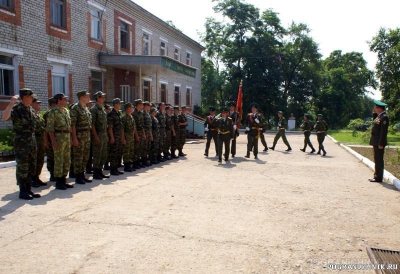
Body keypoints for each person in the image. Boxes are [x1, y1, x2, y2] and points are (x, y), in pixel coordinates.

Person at [2, 89, 41, 200]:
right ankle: (22, 191)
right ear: (25, 97)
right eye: (31, 97)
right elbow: (4, 117)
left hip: (32, 140)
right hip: (21, 141)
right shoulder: (17, 109)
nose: (33, 98)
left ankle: (28, 189)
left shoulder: (31, 109)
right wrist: (11, 103)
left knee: (31, 165)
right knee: (23, 166)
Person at [46, 93, 73, 190]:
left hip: (66, 137)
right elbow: (50, 128)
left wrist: (71, 138)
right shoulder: (53, 112)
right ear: (59, 100)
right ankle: (58, 182)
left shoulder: (66, 111)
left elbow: (69, 127)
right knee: (59, 160)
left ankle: (64, 180)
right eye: (65, 99)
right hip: (58, 137)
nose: (66, 101)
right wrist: (53, 141)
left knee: (66, 160)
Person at [70, 90, 92, 185]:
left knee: (85, 156)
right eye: (87, 96)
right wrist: (74, 138)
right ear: (81, 98)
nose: (88, 98)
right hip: (79, 135)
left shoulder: (85, 108)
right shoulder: (75, 108)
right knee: (78, 157)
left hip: (86, 135)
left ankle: (82, 175)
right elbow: (73, 125)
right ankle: (78, 176)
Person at [90, 91, 110, 180]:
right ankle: (96, 172)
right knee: (97, 154)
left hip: (104, 133)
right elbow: (92, 124)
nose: (103, 99)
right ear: (98, 98)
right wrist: (95, 136)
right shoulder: (94, 109)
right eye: (102, 97)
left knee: (103, 154)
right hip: (98, 133)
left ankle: (100, 171)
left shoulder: (102, 108)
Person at [369, 100, 389, 183]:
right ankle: (376, 175)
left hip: (379, 142)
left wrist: (381, 143)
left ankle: (378, 177)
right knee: (377, 159)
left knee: (379, 159)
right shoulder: (379, 116)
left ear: (380, 108)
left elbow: (383, 132)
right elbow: (375, 123)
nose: (375, 108)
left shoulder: (384, 117)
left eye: (376, 107)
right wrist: (374, 114)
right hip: (376, 141)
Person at [31, 96, 47, 187]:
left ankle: (37, 177)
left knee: (40, 159)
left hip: (40, 139)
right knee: (34, 159)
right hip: (34, 138)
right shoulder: (31, 114)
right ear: (32, 104)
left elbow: (43, 129)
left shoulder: (39, 115)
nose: (39, 104)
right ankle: (32, 178)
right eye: (37, 103)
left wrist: (45, 141)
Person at [108, 98, 124, 175]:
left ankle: (116, 168)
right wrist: (112, 137)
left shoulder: (118, 113)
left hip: (118, 136)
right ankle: (112, 169)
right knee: (113, 153)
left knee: (117, 152)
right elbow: (110, 126)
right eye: (119, 103)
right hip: (114, 135)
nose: (120, 105)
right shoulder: (111, 114)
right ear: (116, 104)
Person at [121, 102, 137, 172]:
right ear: (128, 108)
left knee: (131, 151)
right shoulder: (124, 117)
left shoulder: (131, 117)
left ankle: (130, 165)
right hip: (126, 136)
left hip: (131, 136)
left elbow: (134, 128)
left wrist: (134, 136)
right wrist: (123, 138)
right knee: (126, 151)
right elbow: (122, 129)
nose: (132, 109)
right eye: (131, 107)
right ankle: (126, 166)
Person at [43, 97, 56, 182]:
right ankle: (52, 174)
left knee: (56, 157)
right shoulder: (48, 113)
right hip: (50, 138)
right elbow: (45, 129)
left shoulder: (56, 112)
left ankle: (56, 173)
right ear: (52, 104)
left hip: (57, 137)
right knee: (51, 157)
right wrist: (46, 140)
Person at [132, 99, 146, 169]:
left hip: (141, 133)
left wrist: (143, 134)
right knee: (136, 148)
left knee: (140, 148)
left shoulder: (141, 113)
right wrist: (136, 135)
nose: (142, 106)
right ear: (138, 105)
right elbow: (134, 126)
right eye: (141, 104)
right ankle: (134, 163)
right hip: (136, 133)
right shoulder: (134, 114)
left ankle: (137, 162)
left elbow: (142, 125)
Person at [142, 101, 153, 166]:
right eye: (148, 106)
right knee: (144, 147)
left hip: (148, 132)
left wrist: (151, 134)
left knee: (147, 147)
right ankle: (144, 161)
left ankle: (146, 160)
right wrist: (144, 134)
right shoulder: (143, 113)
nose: (149, 107)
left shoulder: (148, 113)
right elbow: (142, 125)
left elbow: (150, 125)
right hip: (145, 132)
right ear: (145, 106)